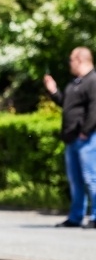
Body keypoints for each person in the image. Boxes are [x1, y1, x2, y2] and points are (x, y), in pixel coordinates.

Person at [44, 46, 96, 228]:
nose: (69, 64)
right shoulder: (76, 83)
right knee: (76, 181)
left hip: (87, 139)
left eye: (71, 60)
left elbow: (94, 109)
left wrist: (86, 131)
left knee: (91, 178)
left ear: (80, 60)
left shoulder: (93, 80)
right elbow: (65, 104)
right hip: (72, 139)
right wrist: (53, 90)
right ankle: (76, 217)